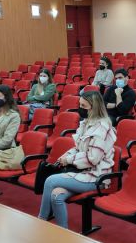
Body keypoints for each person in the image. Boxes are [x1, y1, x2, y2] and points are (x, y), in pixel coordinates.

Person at [38, 91, 116, 229]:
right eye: (80, 104)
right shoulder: (86, 123)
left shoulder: (102, 128)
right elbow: (78, 148)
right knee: (56, 195)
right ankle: (64, 232)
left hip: (96, 176)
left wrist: (69, 160)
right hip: (82, 171)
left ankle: (41, 222)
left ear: (93, 107)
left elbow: (93, 159)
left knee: (50, 180)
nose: (80, 108)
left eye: (83, 106)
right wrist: (65, 156)